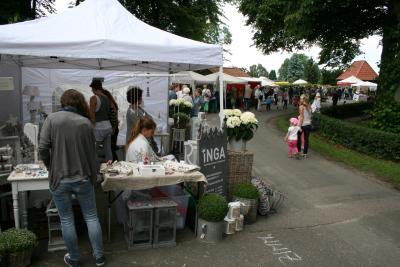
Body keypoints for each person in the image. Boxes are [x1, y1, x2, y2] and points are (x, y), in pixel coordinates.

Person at [39, 89, 104, 267]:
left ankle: (74, 259)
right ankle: (99, 257)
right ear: (80, 103)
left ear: (63, 102)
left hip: (60, 178)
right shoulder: (86, 123)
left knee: (66, 219)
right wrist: (94, 176)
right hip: (83, 177)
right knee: (91, 217)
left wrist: (49, 166)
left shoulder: (51, 119)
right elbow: (93, 155)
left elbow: (42, 148)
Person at [125, 86, 159, 155]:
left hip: (141, 139)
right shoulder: (131, 112)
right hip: (135, 141)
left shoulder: (138, 109)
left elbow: (149, 119)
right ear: (137, 98)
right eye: (141, 96)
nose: (142, 98)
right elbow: (144, 123)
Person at [89, 79, 113, 161]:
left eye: (92, 88)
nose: (91, 90)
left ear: (94, 88)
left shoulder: (93, 98)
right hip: (108, 126)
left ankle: (93, 170)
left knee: (93, 150)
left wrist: (92, 126)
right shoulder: (106, 97)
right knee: (108, 150)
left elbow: (92, 115)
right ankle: (110, 168)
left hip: (98, 127)